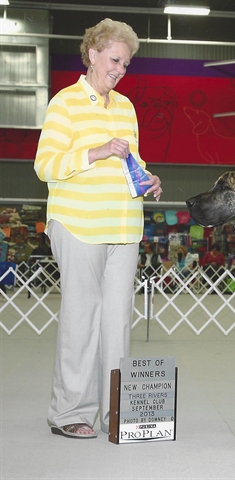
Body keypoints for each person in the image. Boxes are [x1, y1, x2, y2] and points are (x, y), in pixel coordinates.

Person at [34, 18, 162, 439]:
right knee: (79, 320)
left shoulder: (125, 107)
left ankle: (118, 414)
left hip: (124, 228)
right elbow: (45, 165)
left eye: (126, 63)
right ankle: (70, 412)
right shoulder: (64, 103)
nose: (121, 69)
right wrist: (97, 151)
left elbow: (131, 163)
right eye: (115, 59)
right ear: (92, 54)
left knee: (116, 326)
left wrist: (148, 178)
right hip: (77, 225)